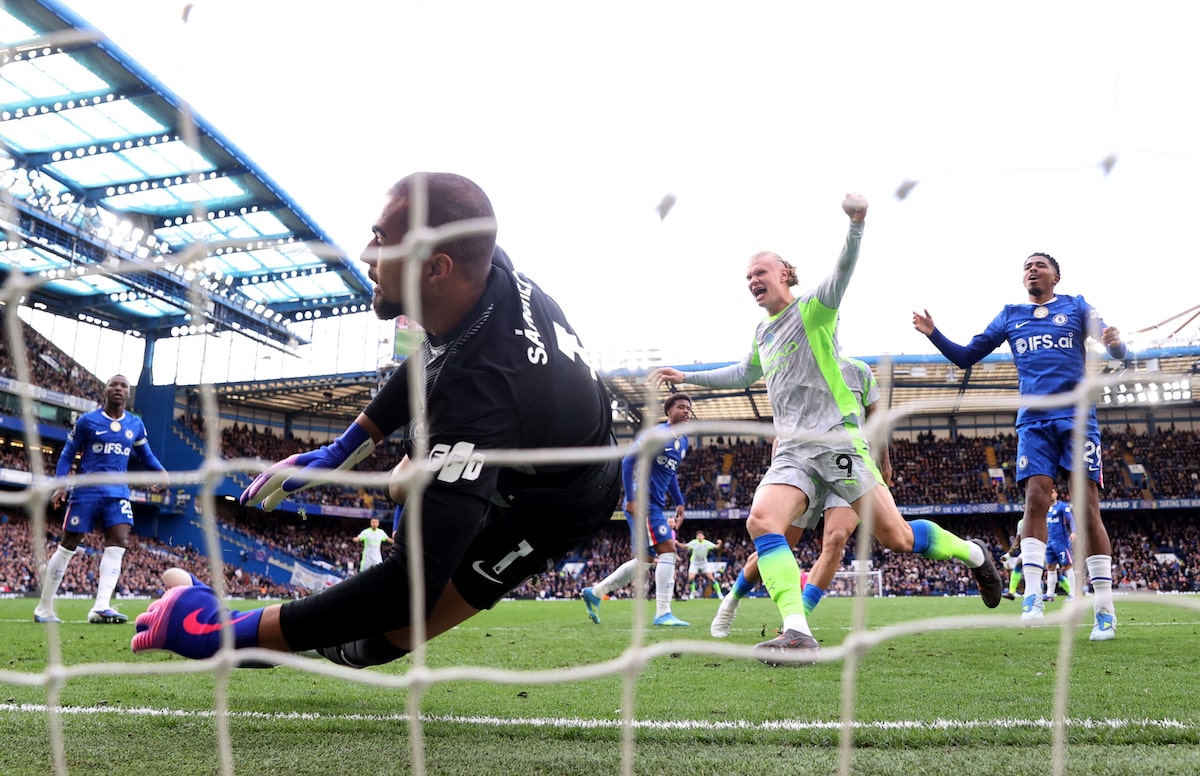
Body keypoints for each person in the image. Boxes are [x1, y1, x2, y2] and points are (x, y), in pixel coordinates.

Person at [131, 172, 621, 666]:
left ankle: (221, 623)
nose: (365, 253)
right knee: (404, 487)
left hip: (556, 504)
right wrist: (339, 450)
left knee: (376, 640)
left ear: (435, 269)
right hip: (522, 432)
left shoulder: (481, 392)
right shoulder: (484, 270)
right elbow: (434, 355)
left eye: (381, 241)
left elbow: (407, 589)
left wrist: (224, 633)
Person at [652, 194, 1001, 663]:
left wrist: (856, 223)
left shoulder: (815, 309)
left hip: (837, 442)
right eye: (748, 276)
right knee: (761, 520)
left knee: (896, 538)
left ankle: (975, 555)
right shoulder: (763, 333)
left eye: (761, 272)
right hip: (793, 450)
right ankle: (797, 630)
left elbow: (842, 271)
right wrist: (687, 376)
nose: (753, 280)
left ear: (786, 275)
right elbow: (741, 374)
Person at [913, 251, 1127, 641]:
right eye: (1027, 266)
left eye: (1040, 265)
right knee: (1034, 498)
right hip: (1034, 422)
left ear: (1055, 277)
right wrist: (933, 333)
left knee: (1087, 508)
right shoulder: (1011, 315)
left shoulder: (1077, 307)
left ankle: (1104, 609)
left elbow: (1115, 346)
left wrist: (1117, 346)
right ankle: (1032, 594)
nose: (1032, 269)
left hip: (1078, 419)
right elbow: (965, 357)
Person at [710, 356, 899, 637]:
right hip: (804, 467)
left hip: (847, 463)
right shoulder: (795, 369)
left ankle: (797, 624)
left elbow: (876, 422)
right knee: (780, 541)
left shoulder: (859, 370)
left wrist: (884, 461)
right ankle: (731, 602)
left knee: (836, 538)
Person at [34, 374, 166, 624]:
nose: (118, 388)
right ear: (104, 391)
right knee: (68, 544)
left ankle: (101, 607)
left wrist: (162, 473)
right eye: (113, 384)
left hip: (117, 494)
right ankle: (44, 608)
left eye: (123, 386)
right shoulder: (87, 421)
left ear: (129, 393)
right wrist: (60, 485)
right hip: (87, 491)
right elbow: (66, 455)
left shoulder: (135, 424)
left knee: (119, 541)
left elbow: (146, 455)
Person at [581, 394, 692, 627]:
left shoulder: (683, 443)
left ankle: (596, 592)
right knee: (669, 550)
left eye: (689, 408)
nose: (686, 411)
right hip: (644, 501)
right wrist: (631, 499)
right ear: (669, 412)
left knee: (645, 561)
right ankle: (663, 613)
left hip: (656, 503)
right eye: (681, 407)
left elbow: (670, 475)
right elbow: (629, 460)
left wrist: (680, 502)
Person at [1043, 485, 1077, 602]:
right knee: (1050, 567)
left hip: (1061, 541)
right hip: (1049, 542)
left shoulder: (1062, 506)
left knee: (1067, 566)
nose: (1051, 494)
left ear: (1056, 494)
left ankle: (1073, 594)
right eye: (1049, 492)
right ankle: (1049, 594)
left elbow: (1071, 519)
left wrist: (1073, 532)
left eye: (1052, 492)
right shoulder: (1045, 509)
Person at [682, 530, 723, 600]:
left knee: (711, 578)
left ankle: (719, 594)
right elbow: (685, 546)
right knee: (691, 578)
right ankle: (692, 592)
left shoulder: (707, 543)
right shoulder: (694, 542)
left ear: (703, 537)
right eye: (698, 536)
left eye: (701, 535)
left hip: (704, 563)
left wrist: (720, 543)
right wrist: (677, 543)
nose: (699, 537)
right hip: (694, 563)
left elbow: (717, 547)